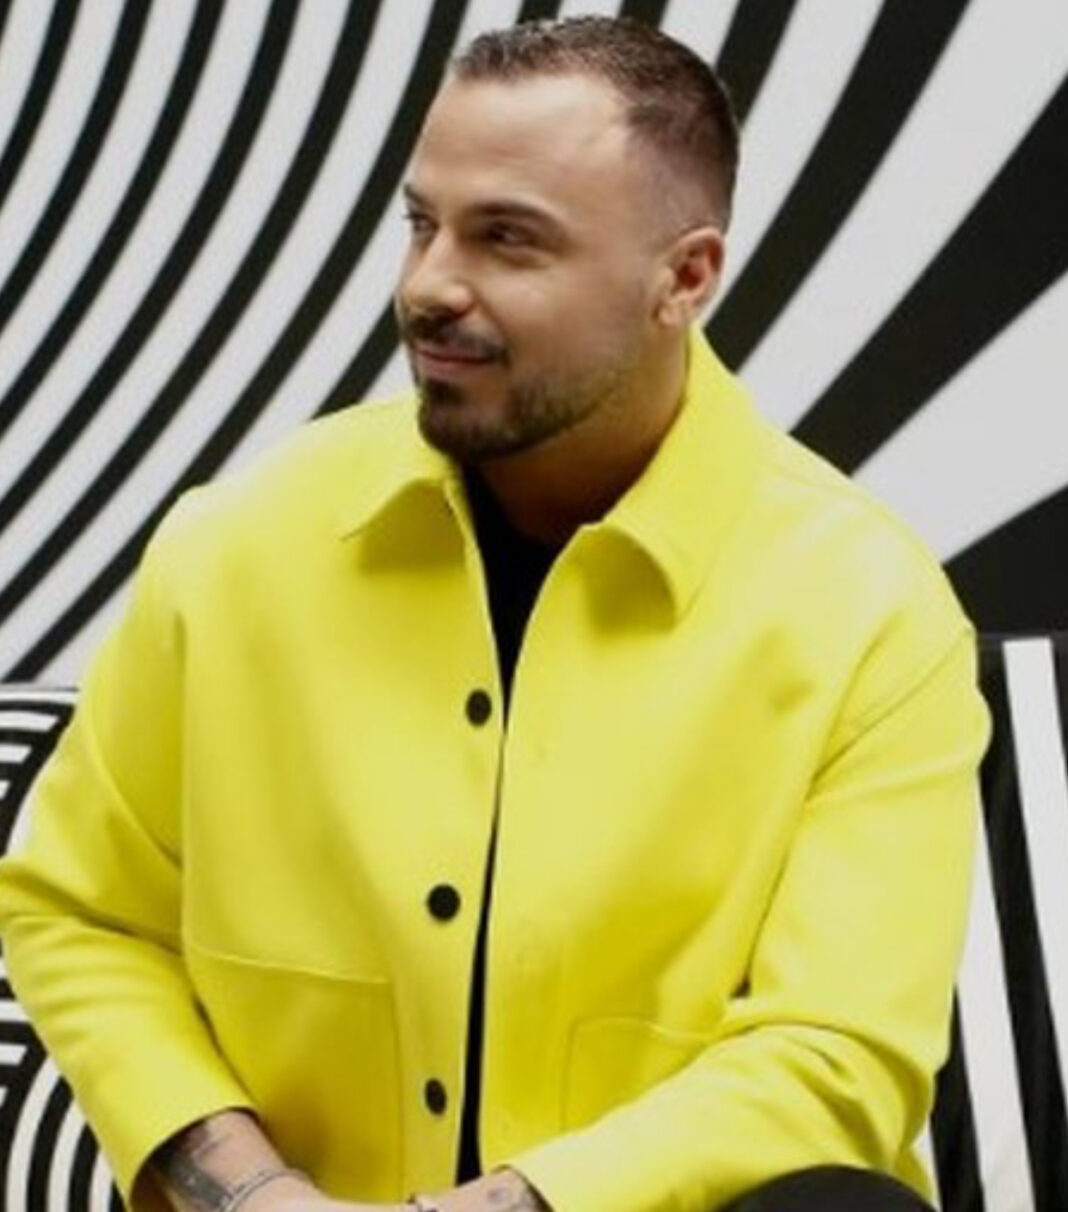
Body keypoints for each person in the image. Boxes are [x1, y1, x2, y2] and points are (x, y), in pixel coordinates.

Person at [0, 17, 988, 1212]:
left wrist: (519, 1203)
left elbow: (836, 1053)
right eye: (422, 224)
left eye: (508, 239)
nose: (428, 286)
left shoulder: (870, 611)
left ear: (685, 278)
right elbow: (81, 911)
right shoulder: (235, 547)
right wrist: (252, 1193)